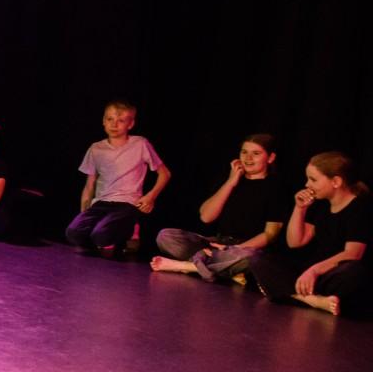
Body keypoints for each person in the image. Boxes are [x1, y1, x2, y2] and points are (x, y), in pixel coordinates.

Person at [151, 133, 291, 282]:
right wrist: (231, 182)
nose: (248, 158)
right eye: (244, 152)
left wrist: (233, 249)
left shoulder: (276, 188)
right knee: (166, 236)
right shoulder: (229, 179)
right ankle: (220, 269)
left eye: (256, 153)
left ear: (270, 158)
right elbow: (206, 217)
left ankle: (189, 266)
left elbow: (270, 234)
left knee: (251, 258)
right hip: (217, 244)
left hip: (246, 247)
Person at [248, 152, 367, 315]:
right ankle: (312, 300)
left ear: (336, 182)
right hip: (311, 275)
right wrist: (300, 208)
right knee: (258, 260)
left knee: (354, 271)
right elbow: (295, 242)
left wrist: (314, 271)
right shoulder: (322, 204)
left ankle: (295, 296)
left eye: (313, 179)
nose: (307, 184)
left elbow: (353, 254)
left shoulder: (360, 208)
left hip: (332, 274)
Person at [65, 100, 171, 257]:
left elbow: (165, 173)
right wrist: (84, 213)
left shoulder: (140, 144)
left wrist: (150, 196)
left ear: (130, 124)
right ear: (103, 121)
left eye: (121, 121)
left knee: (100, 236)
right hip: (101, 202)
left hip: (127, 203)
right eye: (110, 119)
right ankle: (105, 236)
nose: (114, 125)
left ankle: (130, 230)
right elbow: (90, 184)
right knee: (73, 233)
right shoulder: (96, 148)